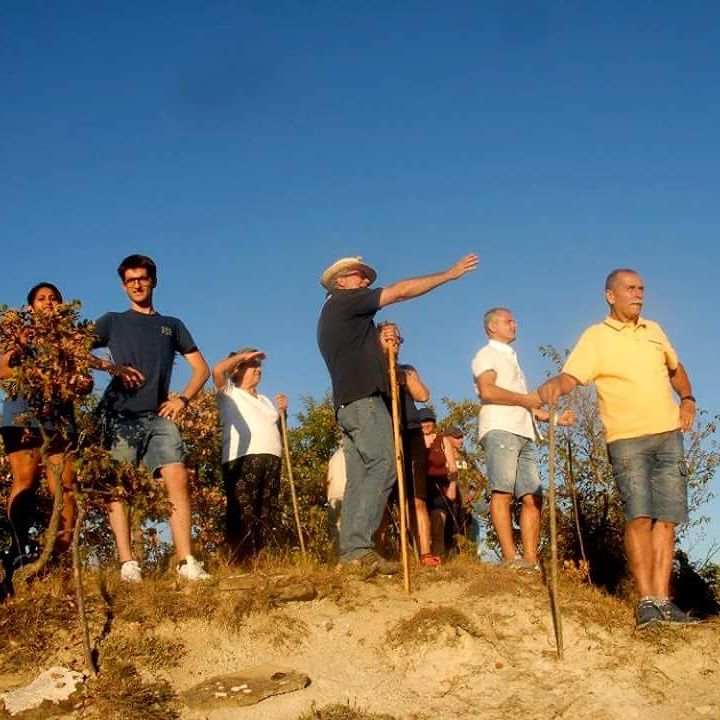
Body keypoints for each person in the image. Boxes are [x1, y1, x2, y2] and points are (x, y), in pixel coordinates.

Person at [537, 269, 698, 627]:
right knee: (639, 516)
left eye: (641, 288)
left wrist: (687, 399)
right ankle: (645, 602)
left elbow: (676, 367)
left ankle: (663, 600)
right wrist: (556, 385)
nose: (638, 294)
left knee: (667, 519)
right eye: (630, 289)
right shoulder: (596, 337)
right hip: (626, 439)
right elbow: (572, 375)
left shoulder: (654, 331)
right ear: (610, 295)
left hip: (668, 433)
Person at [316, 253, 478, 573]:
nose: (365, 281)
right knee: (385, 463)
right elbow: (401, 291)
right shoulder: (346, 303)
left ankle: (351, 553)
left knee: (360, 478)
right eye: (359, 275)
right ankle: (359, 548)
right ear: (341, 281)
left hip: (347, 405)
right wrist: (448, 274)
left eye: (366, 277)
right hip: (364, 402)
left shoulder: (332, 314)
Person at [92, 254, 210, 582]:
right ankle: (128, 564)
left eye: (142, 278)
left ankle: (187, 561)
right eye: (130, 280)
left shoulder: (172, 325)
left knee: (177, 478)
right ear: (123, 285)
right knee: (118, 486)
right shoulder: (112, 321)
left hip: (160, 415)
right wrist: (110, 367)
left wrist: (183, 400)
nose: (137, 284)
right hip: (120, 415)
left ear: (154, 281)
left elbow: (202, 369)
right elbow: (75, 347)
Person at [472, 307, 573, 571]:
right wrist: (526, 399)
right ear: (493, 327)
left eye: (514, 321)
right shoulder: (487, 354)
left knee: (532, 496)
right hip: (500, 428)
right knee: (502, 492)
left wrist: (554, 419)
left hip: (525, 432)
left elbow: (525, 405)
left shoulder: (512, 358)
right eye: (508, 321)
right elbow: (488, 391)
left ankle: (530, 560)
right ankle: (511, 558)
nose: (514, 325)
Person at [0, 283, 90, 567]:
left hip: (60, 417)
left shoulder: (71, 339)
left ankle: (61, 557)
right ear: (30, 306)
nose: (48, 302)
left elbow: (82, 380)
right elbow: (2, 371)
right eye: (42, 298)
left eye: (53, 298)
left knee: (64, 485)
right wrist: (23, 351)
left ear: (62, 306)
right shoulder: (16, 333)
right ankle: (16, 553)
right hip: (21, 416)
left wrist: (81, 383)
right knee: (24, 481)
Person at [212, 348, 287, 563]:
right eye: (253, 365)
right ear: (238, 369)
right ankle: (240, 562)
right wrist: (243, 356)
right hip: (242, 458)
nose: (258, 370)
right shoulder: (229, 393)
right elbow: (217, 370)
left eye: (259, 366)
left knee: (266, 512)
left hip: (271, 457)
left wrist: (284, 413)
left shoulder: (264, 400)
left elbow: (276, 430)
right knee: (242, 512)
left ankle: (260, 560)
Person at [377, 321, 438, 566]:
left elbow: (423, 395)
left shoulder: (407, 368)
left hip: (410, 432)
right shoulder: (371, 368)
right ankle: (379, 552)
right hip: (384, 432)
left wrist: (403, 376)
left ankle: (425, 552)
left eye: (397, 339)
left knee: (417, 497)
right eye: (388, 338)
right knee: (382, 498)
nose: (394, 343)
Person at [417, 408, 458, 560]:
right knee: (419, 523)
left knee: (438, 523)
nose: (426, 424)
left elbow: (452, 466)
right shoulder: (414, 441)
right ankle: (420, 558)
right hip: (418, 485)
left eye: (429, 421)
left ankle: (438, 559)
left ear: (434, 422)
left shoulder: (442, 440)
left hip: (439, 486)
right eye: (422, 421)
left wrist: (453, 486)